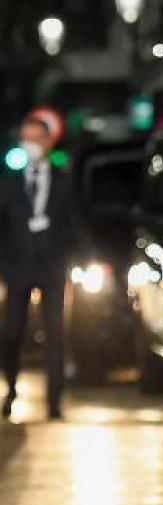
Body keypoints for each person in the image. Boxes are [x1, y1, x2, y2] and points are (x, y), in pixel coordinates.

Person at [0, 115, 81, 421]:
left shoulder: (63, 178)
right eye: (25, 138)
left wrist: (76, 257)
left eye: (35, 138)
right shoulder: (9, 182)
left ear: (48, 142)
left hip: (52, 266)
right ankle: (11, 389)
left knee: (55, 334)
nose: (29, 144)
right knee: (11, 332)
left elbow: (74, 223)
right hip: (18, 267)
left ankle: (55, 400)